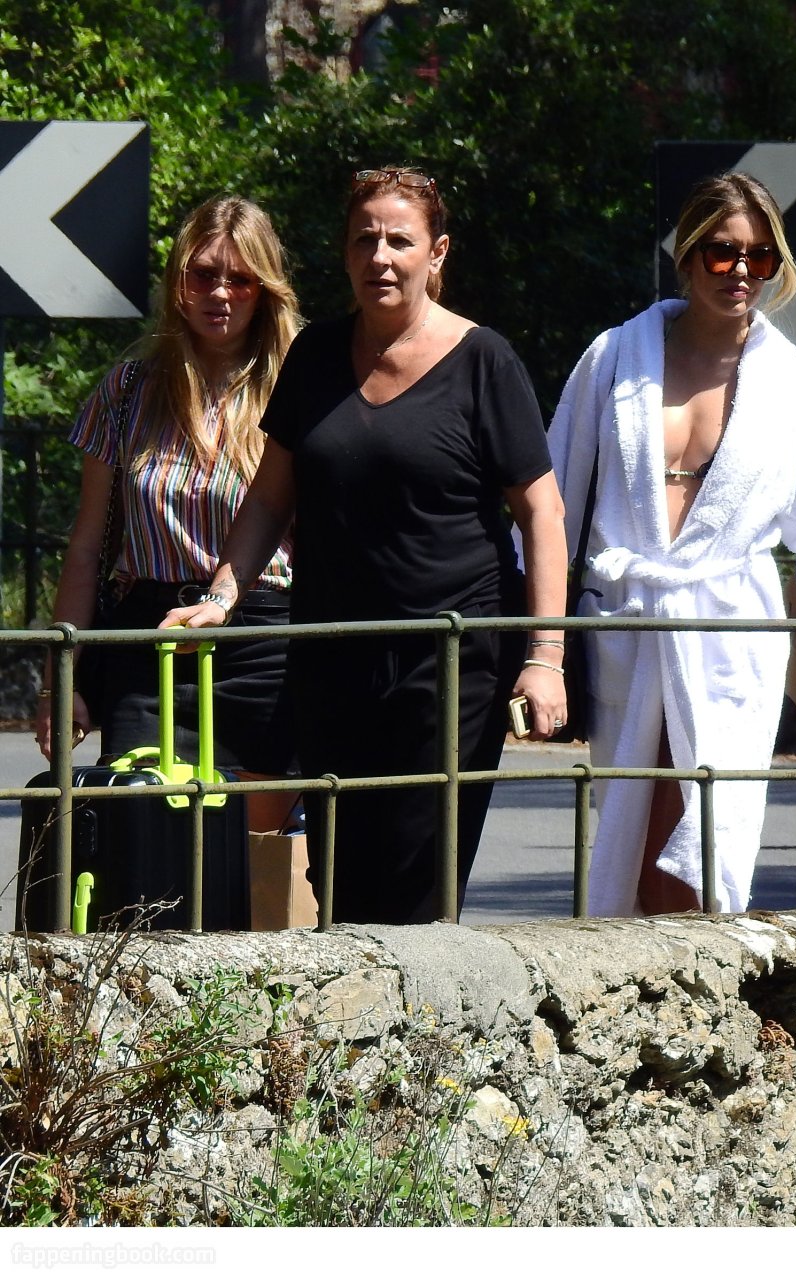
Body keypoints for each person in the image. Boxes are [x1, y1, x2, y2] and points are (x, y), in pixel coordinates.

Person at [163, 165, 568, 924]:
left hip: (449, 662)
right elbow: (269, 498)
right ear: (344, 251)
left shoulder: (485, 361)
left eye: (400, 241)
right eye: (364, 240)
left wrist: (545, 657)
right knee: (339, 882)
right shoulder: (315, 354)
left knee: (417, 882)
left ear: (436, 253)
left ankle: (426, 1007)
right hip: (332, 656)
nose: (380, 257)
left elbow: (542, 514)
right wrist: (220, 596)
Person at [548, 171, 796, 917]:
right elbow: (550, 505)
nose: (741, 272)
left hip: (730, 637)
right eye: (723, 252)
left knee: (705, 848)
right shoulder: (613, 358)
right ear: (687, 254)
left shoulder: (794, 387)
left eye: (760, 256)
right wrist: (529, 647)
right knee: (632, 833)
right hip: (630, 625)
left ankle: (692, 981)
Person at [35, 196, 302, 833]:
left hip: (265, 642)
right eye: (202, 274)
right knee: (145, 843)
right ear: (178, 281)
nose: (220, 293)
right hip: (147, 644)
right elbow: (86, 547)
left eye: (241, 279)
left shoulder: (300, 386)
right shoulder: (127, 390)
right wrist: (58, 682)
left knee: (250, 850)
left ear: (265, 290)